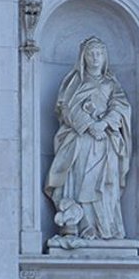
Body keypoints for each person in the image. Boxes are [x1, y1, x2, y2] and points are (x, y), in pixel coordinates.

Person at [45, 37, 132, 242]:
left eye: (99, 53)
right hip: (81, 139)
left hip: (105, 142)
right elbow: (65, 107)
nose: (95, 57)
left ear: (105, 58)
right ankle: (85, 226)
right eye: (91, 53)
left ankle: (106, 227)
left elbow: (121, 107)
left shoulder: (111, 84)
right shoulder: (74, 82)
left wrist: (104, 123)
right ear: (83, 57)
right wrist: (90, 125)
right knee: (81, 182)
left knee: (106, 184)